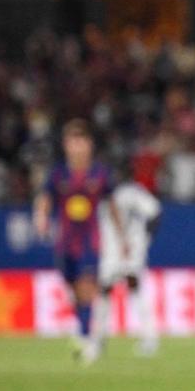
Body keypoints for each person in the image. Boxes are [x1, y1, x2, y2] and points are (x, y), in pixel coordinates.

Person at [33, 120, 123, 365]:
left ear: (90, 144)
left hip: (90, 242)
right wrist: (40, 217)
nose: (78, 147)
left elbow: (112, 204)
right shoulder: (58, 174)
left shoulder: (101, 173)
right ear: (66, 145)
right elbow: (45, 198)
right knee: (74, 291)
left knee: (87, 287)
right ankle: (83, 329)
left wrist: (121, 235)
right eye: (73, 141)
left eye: (82, 141)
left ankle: (87, 340)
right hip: (65, 243)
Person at [99, 178, 163, 357]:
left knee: (129, 286)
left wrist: (143, 239)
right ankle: (99, 339)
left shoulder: (129, 192)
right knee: (108, 289)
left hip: (128, 248)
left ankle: (149, 338)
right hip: (113, 249)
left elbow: (155, 212)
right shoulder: (101, 195)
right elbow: (156, 212)